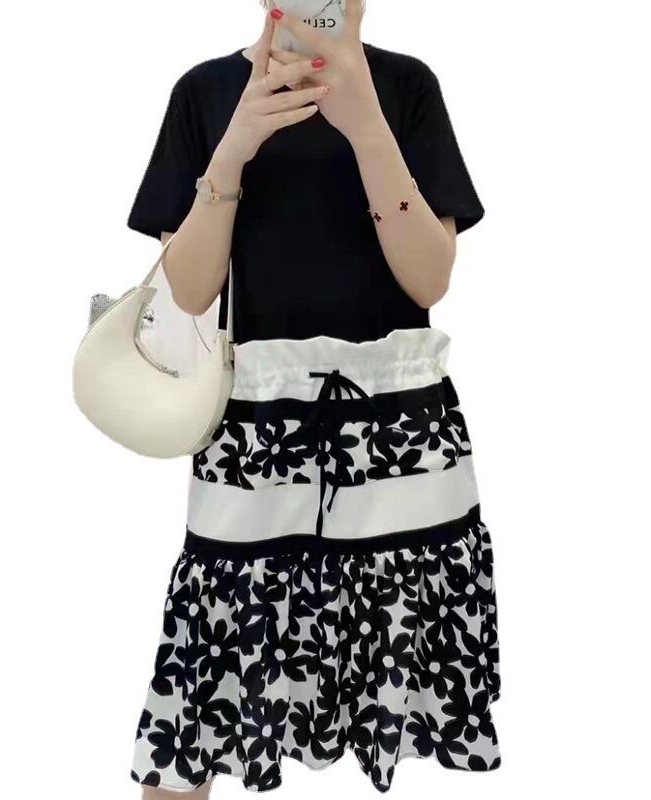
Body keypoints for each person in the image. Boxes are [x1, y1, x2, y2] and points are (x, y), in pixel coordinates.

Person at [126, 3, 500, 796]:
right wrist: (233, 149)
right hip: (256, 430)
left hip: (395, 430)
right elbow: (189, 293)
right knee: (205, 685)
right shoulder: (206, 92)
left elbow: (428, 280)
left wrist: (366, 124)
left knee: (395, 664)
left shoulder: (406, 87)